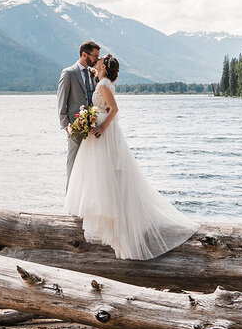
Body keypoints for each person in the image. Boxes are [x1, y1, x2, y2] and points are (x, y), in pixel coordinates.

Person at [64, 54, 198, 259]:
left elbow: (114, 109)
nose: (96, 61)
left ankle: (112, 220)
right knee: (100, 172)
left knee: (103, 172)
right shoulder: (102, 82)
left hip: (104, 132)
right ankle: (107, 216)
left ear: (104, 67)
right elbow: (104, 102)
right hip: (101, 130)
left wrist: (100, 126)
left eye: (100, 60)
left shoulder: (103, 85)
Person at [57, 41, 100, 185]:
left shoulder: (93, 73)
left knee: (90, 167)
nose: (96, 60)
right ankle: (70, 202)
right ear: (84, 54)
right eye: (95, 56)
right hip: (75, 128)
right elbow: (61, 103)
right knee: (73, 165)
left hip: (92, 128)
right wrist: (67, 126)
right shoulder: (69, 73)